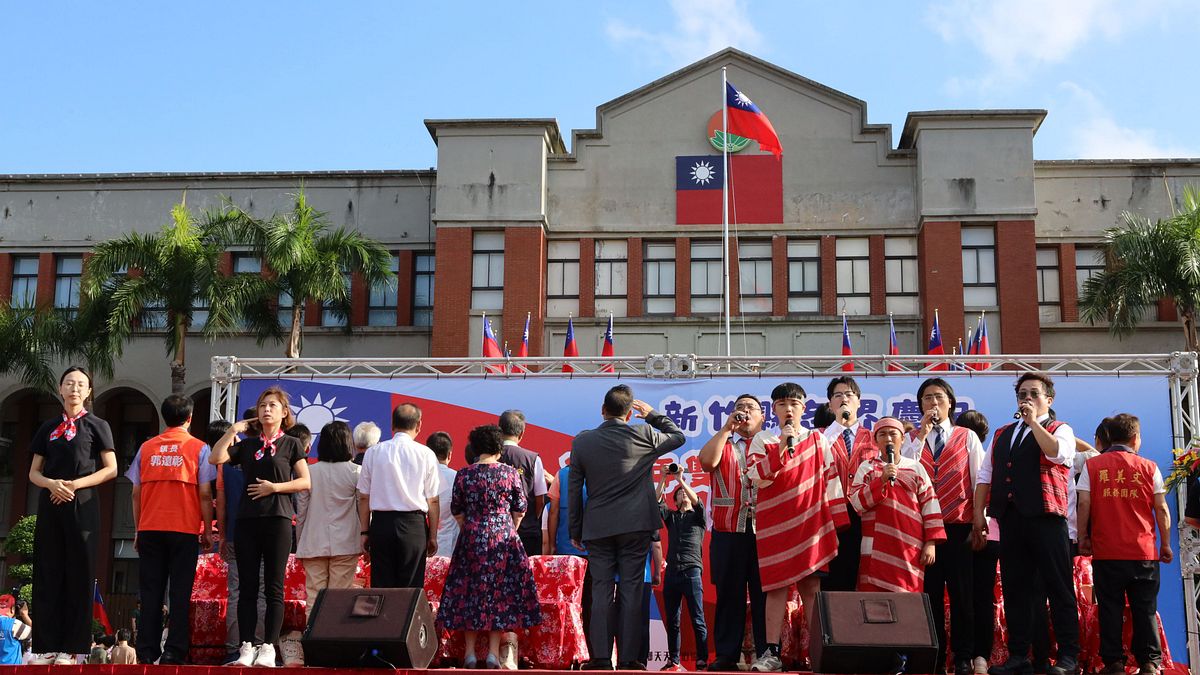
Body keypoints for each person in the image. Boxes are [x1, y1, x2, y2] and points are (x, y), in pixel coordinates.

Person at [569, 384, 685, 670]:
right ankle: (630, 659)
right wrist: (653, 415)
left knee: (601, 591)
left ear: (603, 411)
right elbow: (678, 436)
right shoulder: (643, 433)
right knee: (633, 589)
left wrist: (575, 529)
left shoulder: (583, 442)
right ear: (630, 413)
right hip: (635, 525)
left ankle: (599, 658)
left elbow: (574, 490)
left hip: (597, 526)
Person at [972, 373, 1080, 675]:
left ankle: (1068, 656)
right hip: (1010, 518)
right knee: (1016, 589)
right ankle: (1020, 655)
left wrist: (1034, 422)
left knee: (1058, 588)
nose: (1026, 399)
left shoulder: (1061, 428)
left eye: (1034, 393)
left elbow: (1057, 454)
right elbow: (986, 475)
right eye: (1022, 394)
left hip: (1047, 519)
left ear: (1049, 399)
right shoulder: (1003, 433)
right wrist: (979, 515)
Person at [746, 382, 848, 672]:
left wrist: (837, 521)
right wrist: (780, 447)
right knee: (775, 588)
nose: (788, 409)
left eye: (794, 403)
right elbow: (757, 476)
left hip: (810, 524)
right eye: (782, 404)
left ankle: (819, 652)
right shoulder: (762, 440)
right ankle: (771, 652)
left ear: (803, 408)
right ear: (774, 408)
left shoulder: (818, 440)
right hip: (775, 525)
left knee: (812, 587)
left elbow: (831, 479)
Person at [210, 385, 312, 668]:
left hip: (278, 519)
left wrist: (274, 488)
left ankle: (268, 646)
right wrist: (232, 431)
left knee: (274, 588)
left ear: (284, 413)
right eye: (262, 405)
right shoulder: (247, 445)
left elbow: (305, 481)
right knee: (247, 585)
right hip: (247, 521)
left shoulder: (291, 444)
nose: (266, 409)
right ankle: (246, 646)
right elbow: (215, 458)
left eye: (272, 406)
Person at [28, 366, 117, 664]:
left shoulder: (97, 425)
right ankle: (45, 647)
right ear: (60, 388)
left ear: (89, 391)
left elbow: (111, 468)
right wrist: (53, 484)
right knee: (48, 572)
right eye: (69, 383)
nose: (74, 388)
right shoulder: (48, 427)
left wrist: (74, 485)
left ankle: (72, 648)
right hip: (51, 503)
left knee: (79, 575)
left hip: (84, 503)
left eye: (80, 384)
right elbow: (33, 473)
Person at [438, 425, 542, 669]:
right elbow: (520, 508)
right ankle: (494, 654)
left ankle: (470, 654)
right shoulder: (509, 473)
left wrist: (472, 527)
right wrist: (509, 527)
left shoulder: (464, 474)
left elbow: (457, 510)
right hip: (502, 538)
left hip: (471, 538)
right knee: (500, 595)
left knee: (469, 593)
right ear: (498, 448)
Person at [1076, 414, 1173, 675]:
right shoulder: (1149, 467)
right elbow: (1161, 509)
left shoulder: (1094, 466)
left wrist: (1083, 537)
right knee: (1145, 610)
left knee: (1110, 608)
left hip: (1107, 552)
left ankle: (1114, 663)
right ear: (1135, 438)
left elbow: (1083, 503)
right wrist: (1165, 544)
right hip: (1143, 553)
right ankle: (1150, 663)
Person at [901, 378, 984, 675]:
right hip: (922, 530)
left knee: (962, 595)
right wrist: (920, 436)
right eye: (926, 398)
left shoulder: (967, 437)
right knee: (929, 595)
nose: (932, 403)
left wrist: (979, 520)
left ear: (950, 403)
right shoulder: (911, 440)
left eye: (938, 397)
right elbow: (905, 470)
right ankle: (933, 655)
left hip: (959, 525)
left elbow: (979, 479)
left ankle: (963, 656)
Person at [127, 394, 216, 665]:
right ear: (190, 418)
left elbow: (135, 493)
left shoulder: (147, 448)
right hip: (184, 529)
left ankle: (146, 652)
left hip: (150, 528)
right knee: (180, 593)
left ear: (164, 417)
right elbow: (204, 493)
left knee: (151, 592)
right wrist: (208, 530)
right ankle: (174, 651)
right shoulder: (199, 449)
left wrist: (137, 529)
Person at [698, 393, 767, 671]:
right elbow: (705, 463)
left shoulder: (770, 444)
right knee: (729, 594)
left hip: (765, 531)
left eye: (751, 408)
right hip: (728, 530)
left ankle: (767, 651)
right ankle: (726, 654)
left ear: (763, 417)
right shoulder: (724, 442)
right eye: (740, 408)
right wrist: (726, 429)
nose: (745, 412)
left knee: (765, 595)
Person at [849, 416, 944, 591]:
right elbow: (856, 503)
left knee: (907, 600)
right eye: (882, 434)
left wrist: (931, 543)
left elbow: (930, 504)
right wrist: (881, 480)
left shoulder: (916, 468)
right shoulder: (866, 468)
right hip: (874, 545)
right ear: (875, 440)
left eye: (893, 434)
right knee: (873, 602)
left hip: (909, 545)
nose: (888, 439)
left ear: (902, 438)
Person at [357, 402, 440, 588]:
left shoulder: (373, 452)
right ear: (419, 425)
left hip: (381, 525)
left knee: (382, 588)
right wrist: (433, 535)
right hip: (414, 527)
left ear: (392, 425)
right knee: (410, 590)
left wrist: (364, 532)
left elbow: (364, 497)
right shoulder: (426, 454)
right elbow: (433, 500)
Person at [296, 421, 363, 617]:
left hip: (313, 541)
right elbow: (363, 509)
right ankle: (335, 644)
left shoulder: (309, 472)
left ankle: (313, 646)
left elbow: (301, 512)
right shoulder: (356, 473)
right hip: (347, 542)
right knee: (339, 598)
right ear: (347, 443)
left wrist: (300, 542)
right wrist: (366, 537)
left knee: (314, 598)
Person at [821, 376, 878, 593]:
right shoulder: (821, 437)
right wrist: (836, 427)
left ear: (859, 402)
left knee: (863, 574)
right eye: (838, 395)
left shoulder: (873, 436)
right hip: (830, 515)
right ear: (830, 404)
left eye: (849, 394)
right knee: (833, 578)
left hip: (864, 514)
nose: (844, 399)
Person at [956, 409, 998, 675]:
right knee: (978, 597)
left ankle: (974, 655)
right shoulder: (990, 457)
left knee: (971, 598)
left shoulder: (986, 459)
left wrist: (977, 525)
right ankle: (978, 656)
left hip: (976, 533)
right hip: (982, 532)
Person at [656, 465, 708, 671]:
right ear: (675, 501)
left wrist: (680, 480)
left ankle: (702, 659)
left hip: (692, 570)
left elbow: (697, 501)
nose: (683, 495)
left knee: (698, 617)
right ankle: (673, 660)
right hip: (672, 573)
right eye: (679, 495)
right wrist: (662, 478)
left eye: (685, 493)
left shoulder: (698, 517)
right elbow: (656, 501)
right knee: (673, 620)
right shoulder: (672, 517)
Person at [498, 410, 549, 556]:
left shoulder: (486, 458)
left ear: (499, 430)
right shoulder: (532, 459)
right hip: (527, 532)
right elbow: (540, 498)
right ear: (521, 434)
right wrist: (531, 518)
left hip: (495, 532)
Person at [428, 431, 461, 558]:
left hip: (421, 543)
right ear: (449, 455)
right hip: (449, 547)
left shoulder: (419, 476)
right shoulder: (457, 478)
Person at [0, 594, 32, 665]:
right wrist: (25, 615)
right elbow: (37, 635)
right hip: (10, 670)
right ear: (12, 609)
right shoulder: (14, 624)